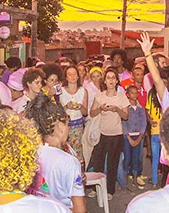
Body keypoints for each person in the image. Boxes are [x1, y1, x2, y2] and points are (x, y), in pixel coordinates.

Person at [25, 94, 103, 213]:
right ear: (60, 126)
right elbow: (80, 210)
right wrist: (80, 184)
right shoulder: (68, 162)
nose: (69, 129)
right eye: (68, 124)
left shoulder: (31, 153)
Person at [89, 68, 130, 196]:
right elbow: (92, 113)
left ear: (117, 81)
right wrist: (100, 108)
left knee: (113, 162)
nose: (111, 80)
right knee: (98, 162)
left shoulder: (121, 97)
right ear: (105, 81)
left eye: (113, 78)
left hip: (116, 134)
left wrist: (117, 109)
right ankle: (96, 188)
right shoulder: (99, 96)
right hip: (101, 133)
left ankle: (110, 190)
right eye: (108, 78)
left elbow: (125, 116)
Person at [60, 65, 88, 163]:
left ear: (77, 76)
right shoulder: (61, 91)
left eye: (74, 74)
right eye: (69, 74)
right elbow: (58, 111)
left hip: (78, 126)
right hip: (64, 126)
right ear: (66, 77)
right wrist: (66, 106)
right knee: (65, 152)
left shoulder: (83, 91)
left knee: (77, 152)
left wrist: (80, 107)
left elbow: (85, 113)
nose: (72, 76)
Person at [123, 84, 147, 187]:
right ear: (127, 95)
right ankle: (124, 178)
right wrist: (128, 137)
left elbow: (144, 122)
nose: (135, 95)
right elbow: (123, 123)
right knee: (127, 157)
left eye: (136, 92)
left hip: (138, 135)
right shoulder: (125, 108)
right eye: (132, 93)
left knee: (137, 157)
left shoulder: (140, 108)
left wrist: (140, 136)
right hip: (128, 136)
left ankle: (135, 177)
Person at [146, 83, 168, 187]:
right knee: (165, 159)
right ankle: (165, 181)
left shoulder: (151, 94)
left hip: (156, 131)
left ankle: (155, 181)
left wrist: (150, 120)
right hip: (163, 132)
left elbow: (147, 109)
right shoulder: (166, 96)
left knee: (156, 158)